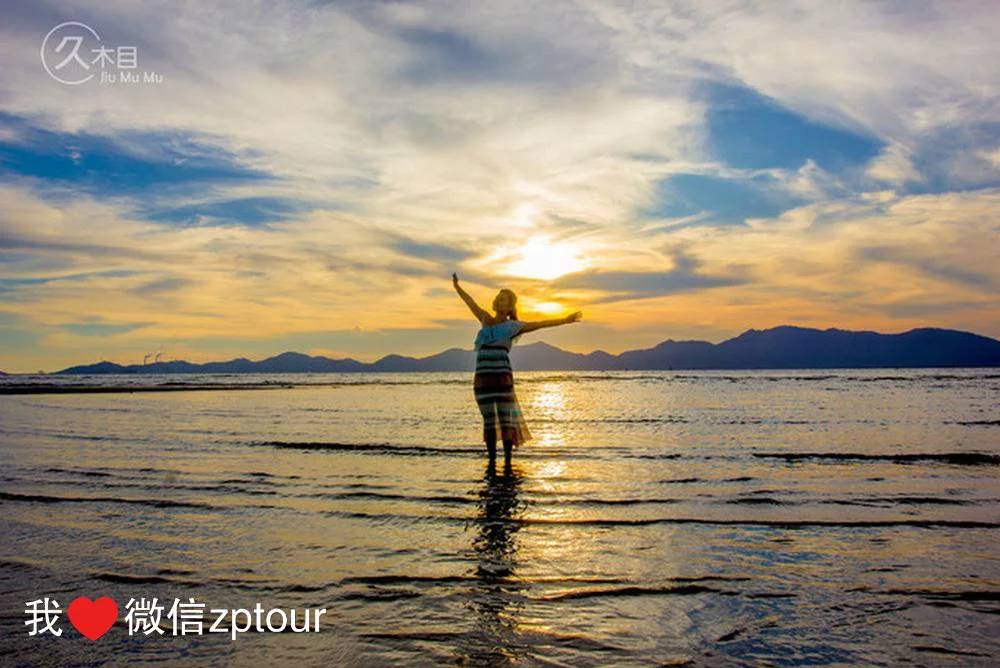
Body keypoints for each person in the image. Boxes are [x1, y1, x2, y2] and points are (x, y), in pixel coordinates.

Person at [452, 272, 582, 470]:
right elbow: (470, 302)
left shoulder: (513, 327)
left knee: (505, 420)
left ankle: (507, 463)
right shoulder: (485, 319)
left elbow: (541, 324)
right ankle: (492, 462)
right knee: (488, 421)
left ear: (510, 305)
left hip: (502, 377)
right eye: (498, 298)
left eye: (503, 299)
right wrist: (457, 286)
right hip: (483, 378)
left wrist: (566, 319)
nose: (498, 300)